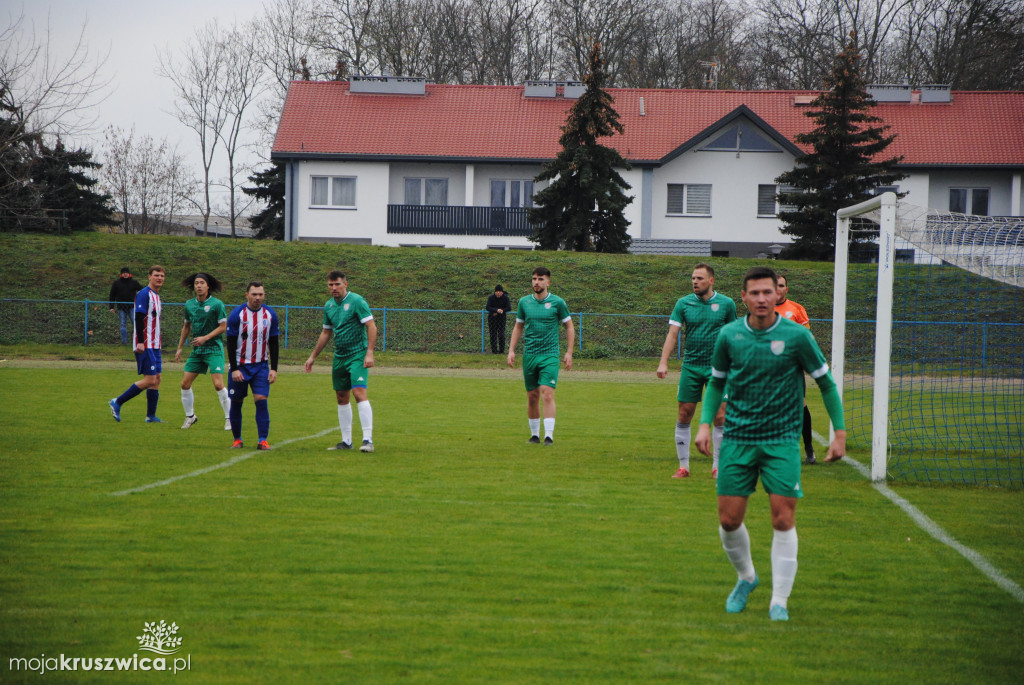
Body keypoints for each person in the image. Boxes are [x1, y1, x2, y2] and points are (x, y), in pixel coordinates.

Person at [694, 266, 846, 622]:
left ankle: (780, 599)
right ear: (744, 298)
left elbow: (825, 384)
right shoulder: (729, 335)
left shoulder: (796, 337)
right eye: (754, 293)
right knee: (729, 521)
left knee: (782, 519)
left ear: (778, 295)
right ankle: (747, 577)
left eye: (768, 292)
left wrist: (839, 432)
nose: (762, 299)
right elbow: (716, 384)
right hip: (737, 439)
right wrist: (705, 423)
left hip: (780, 441)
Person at [656, 263, 737, 479]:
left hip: (718, 369)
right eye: (693, 278)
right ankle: (684, 467)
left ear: (711, 281)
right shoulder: (683, 304)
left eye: (700, 278)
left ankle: (718, 467)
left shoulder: (727, 304)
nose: (695, 282)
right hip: (691, 366)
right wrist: (664, 362)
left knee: (720, 415)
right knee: (684, 413)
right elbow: (673, 334)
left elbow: (733, 335)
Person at [304, 271, 378, 453]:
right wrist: (313, 356)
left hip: (357, 355)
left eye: (337, 284)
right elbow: (326, 333)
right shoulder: (329, 306)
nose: (334, 288)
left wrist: (369, 353)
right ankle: (346, 442)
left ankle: (367, 440)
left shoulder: (357, 301)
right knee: (341, 397)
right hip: (340, 356)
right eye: (330, 285)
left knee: (359, 393)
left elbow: (371, 326)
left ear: (345, 283)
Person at [507, 267, 574, 445]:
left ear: (548, 282)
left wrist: (569, 352)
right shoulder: (524, 302)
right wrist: (511, 350)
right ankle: (535, 435)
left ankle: (549, 436)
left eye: (540, 279)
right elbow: (518, 326)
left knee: (547, 393)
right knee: (532, 396)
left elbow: (569, 326)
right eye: (534, 279)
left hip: (550, 355)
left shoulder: (558, 303)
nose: (536, 282)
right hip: (529, 355)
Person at [226, 282, 280, 451]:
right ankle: (237, 439)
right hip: (240, 366)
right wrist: (234, 369)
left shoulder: (270, 314)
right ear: (246, 295)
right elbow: (230, 343)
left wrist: (274, 368)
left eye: (261, 294)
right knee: (236, 401)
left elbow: (274, 343)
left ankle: (262, 440)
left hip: (261, 366)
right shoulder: (237, 315)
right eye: (254, 294)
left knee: (261, 400)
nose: (258, 298)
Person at [108, 265, 166, 423]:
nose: (159, 278)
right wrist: (140, 341)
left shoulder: (156, 296)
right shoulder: (144, 294)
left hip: (155, 344)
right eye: (156, 275)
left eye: (161, 276)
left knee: (157, 378)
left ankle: (151, 416)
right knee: (150, 380)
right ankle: (117, 402)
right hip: (145, 344)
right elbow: (139, 318)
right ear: (149, 276)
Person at [174, 273, 231, 431]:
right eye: (196, 283)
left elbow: (223, 326)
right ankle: (190, 416)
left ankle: (229, 418)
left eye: (202, 283)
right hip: (197, 350)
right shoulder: (189, 305)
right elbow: (186, 326)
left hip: (213, 349)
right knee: (185, 384)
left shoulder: (217, 304)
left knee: (218, 385)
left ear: (208, 286)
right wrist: (179, 347)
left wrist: (205, 338)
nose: (198, 286)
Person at [775, 274, 816, 465]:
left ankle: (809, 448)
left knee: (800, 406)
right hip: (767, 368)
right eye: (774, 285)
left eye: (781, 285)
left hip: (791, 368)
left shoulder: (796, 309)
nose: (778, 289)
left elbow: (806, 337)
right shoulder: (761, 308)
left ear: (786, 289)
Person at [108, 267, 141, 344]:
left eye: (126, 272)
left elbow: (141, 290)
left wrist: (139, 301)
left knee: (135, 323)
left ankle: (138, 340)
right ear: (121, 274)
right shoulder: (116, 283)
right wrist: (111, 306)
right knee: (123, 324)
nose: (125, 274)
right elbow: (112, 295)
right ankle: (124, 342)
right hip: (121, 307)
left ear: (129, 274)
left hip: (132, 306)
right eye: (124, 272)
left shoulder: (134, 282)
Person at [485, 284, 512, 354]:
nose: (498, 293)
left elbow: (509, 308)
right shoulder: (491, 298)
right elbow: (488, 307)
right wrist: (496, 310)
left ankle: (501, 351)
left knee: (501, 335)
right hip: (492, 319)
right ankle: (494, 351)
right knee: (493, 335)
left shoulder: (505, 298)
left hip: (501, 319)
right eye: (496, 291)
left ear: (502, 292)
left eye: (499, 291)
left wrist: (501, 311)